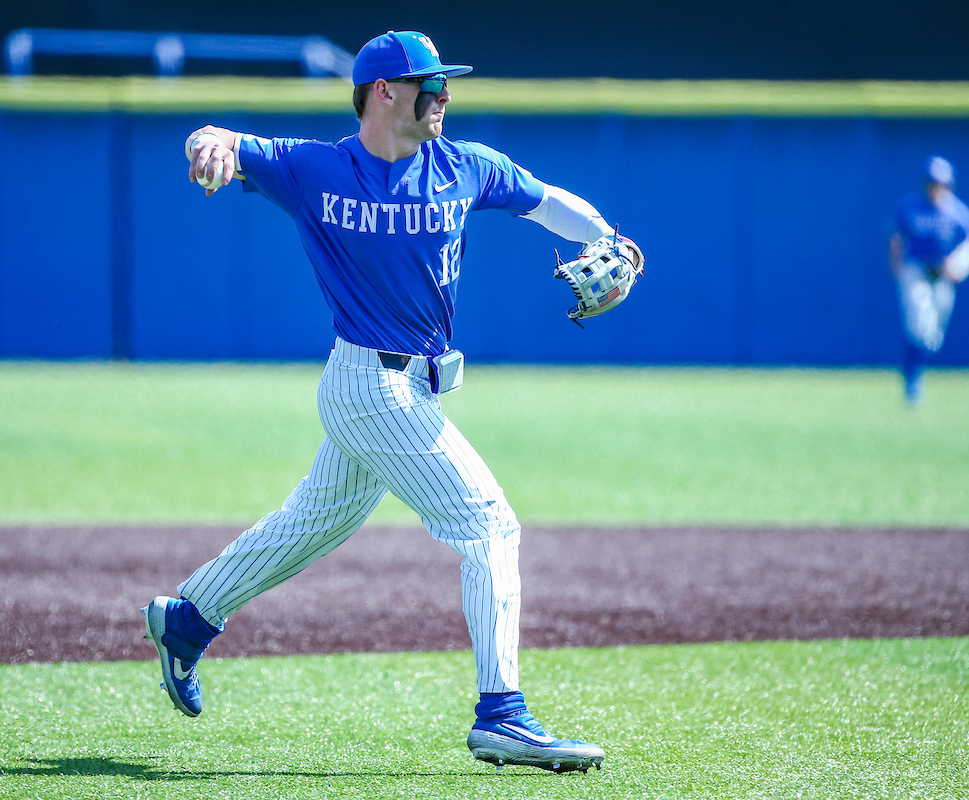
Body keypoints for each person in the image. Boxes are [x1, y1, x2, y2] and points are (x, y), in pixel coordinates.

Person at [142, 30, 642, 774]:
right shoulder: (316, 168)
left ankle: (186, 619)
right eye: (429, 85)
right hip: (368, 381)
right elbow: (215, 135)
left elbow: (546, 204)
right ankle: (502, 715)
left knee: (313, 523)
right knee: (487, 522)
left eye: (445, 86)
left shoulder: (466, 166)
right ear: (383, 92)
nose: (443, 97)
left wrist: (612, 238)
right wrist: (206, 144)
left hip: (406, 385)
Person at [888, 155, 969, 406]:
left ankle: (911, 371)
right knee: (919, 322)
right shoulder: (912, 206)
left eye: (941, 183)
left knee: (932, 336)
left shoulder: (959, 212)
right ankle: (912, 384)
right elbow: (896, 236)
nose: (936, 187)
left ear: (949, 184)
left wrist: (958, 266)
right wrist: (896, 266)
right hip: (916, 270)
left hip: (943, 277)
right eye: (932, 182)